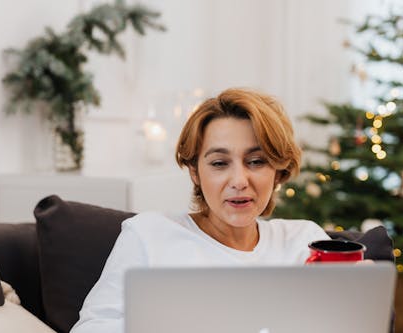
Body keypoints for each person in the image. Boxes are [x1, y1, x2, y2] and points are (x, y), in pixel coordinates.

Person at [70, 88, 330, 333]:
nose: (239, 180)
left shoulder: (305, 242)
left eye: (256, 161)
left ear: (277, 171)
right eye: (219, 163)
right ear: (195, 172)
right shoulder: (149, 235)